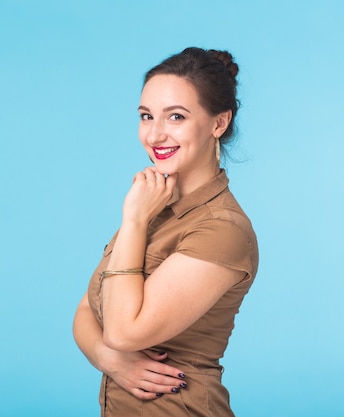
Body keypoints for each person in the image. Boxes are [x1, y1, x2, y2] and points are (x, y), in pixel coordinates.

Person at [72, 47, 259, 417]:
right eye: (146, 116)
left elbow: (125, 331)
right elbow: (86, 311)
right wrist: (110, 359)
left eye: (176, 116)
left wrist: (134, 220)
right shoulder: (153, 205)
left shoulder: (222, 229)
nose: (155, 134)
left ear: (218, 123)